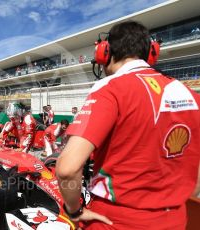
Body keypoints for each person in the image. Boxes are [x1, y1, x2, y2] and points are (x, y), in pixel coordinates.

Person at [56, 21, 200, 229]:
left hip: (115, 219)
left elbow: (67, 168)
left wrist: (74, 210)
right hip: (175, 218)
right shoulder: (192, 97)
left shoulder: (110, 88)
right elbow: (195, 177)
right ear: (151, 54)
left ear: (105, 52)